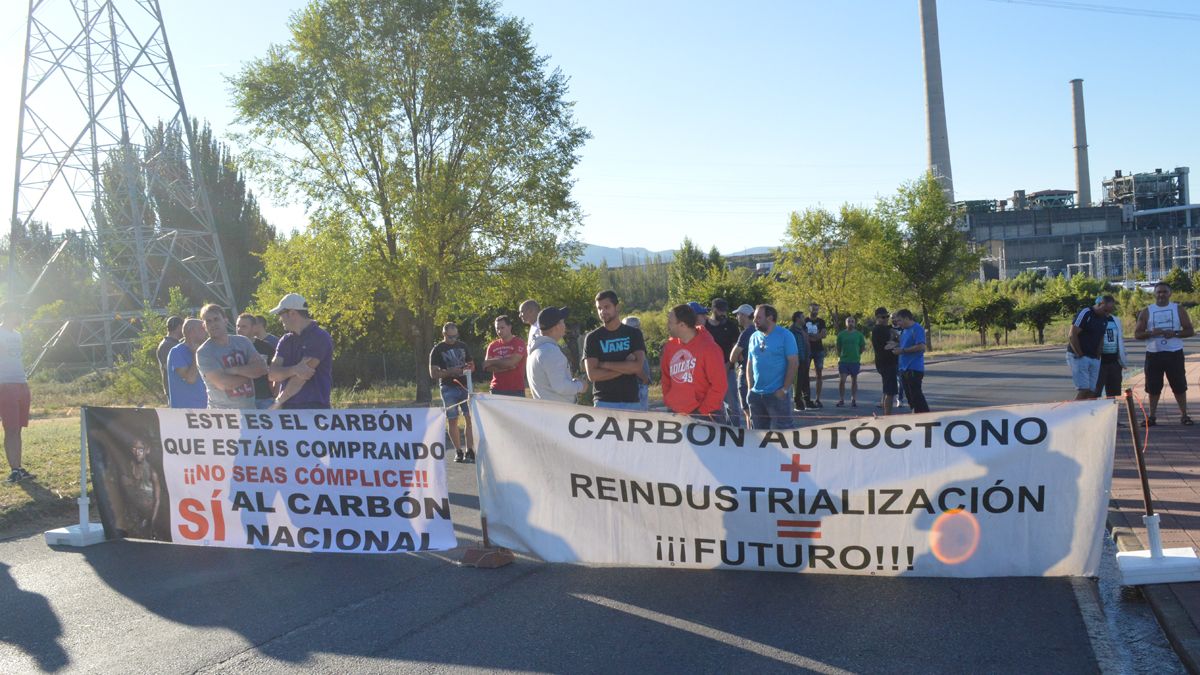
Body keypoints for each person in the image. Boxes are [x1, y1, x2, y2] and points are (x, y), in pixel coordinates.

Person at [1134, 283, 1195, 425]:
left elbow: (1190, 330)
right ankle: (1152, 416)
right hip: (1154, 354)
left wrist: (1175, 333)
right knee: (1153, 386)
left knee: (1179, 385)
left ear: (1170, 293)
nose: (1161, 295)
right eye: (1159, 292)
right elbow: (1137, 334)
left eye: (1164, 292)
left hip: (1174, 353)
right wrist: (1150, 333)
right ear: (1154, 294)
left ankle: (1184, 415)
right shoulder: (1146, 311)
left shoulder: (1178, 309)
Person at [267, 293, 334, 409]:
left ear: (292, 313)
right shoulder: (285, 340)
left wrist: (278, 402)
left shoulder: (320, 337)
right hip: (287, 407)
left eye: (280, 314)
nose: (280, 319)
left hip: (315, 408)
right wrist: (294, 369)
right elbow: (272, 374)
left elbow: (300, 378)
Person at [662, 303, 727, 421]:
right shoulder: (670, 347)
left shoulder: (709, 348)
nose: (667, 326)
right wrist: (669, 401)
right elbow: (666, 377)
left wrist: (702, 412)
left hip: (705, 415)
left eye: (670, 322)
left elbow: (719, 385)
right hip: (675, 413)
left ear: (682, 325)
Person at [584, 290, 647, 411]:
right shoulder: (592, 338)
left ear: (617, 307)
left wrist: (603, 364)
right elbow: (592, 375)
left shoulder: (634, 334)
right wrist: (626, 367)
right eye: (599, 308)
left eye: (606, 307)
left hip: (631, 401)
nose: (602, 312)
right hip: (603, 402)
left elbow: (638, 367)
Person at [196, 305, 267, 410]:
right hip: (222, 415)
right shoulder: (204, 352)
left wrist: (235, 370)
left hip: (250, 411)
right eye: (208, 321)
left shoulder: (243, 342)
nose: (213, 324)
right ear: (204, 326)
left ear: (225, 320)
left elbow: (262, 368)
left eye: (216, 319)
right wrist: (251, 374)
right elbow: (224, 383)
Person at [746, 304, 799, 430]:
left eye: (758, 317)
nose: (754, 321)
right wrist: (749, 388)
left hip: (777, 394)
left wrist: (784, 389)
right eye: (754, 317)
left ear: (770, 318)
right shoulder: (754, 337)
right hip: (756, 395)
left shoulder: (785, 335)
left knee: (783, 433)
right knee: (758, 436)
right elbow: (750, 363)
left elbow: (793, 363)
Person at [430, 322, 476, 463]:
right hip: (448, 387)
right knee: (453, 419)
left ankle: (470, 450)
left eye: (455, 336)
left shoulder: (462, 346)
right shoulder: (437, 349)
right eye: (450, 337)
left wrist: (468, 368)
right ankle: (458, 451)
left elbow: (472, 364)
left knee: (470, 418)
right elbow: (433, 373)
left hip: (465, 385)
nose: (453, 339)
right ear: (444, 334)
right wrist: (450, 372)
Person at [0, 302, 32, 483]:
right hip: (5, 385)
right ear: (9, 313)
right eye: (18, 312)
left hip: (21, 383)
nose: (20, 316)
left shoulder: (18, 335)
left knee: (18, 429)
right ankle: (13, 470)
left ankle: (19, 468)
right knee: (10, 429)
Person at [527, 307, 588, 403]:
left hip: (547, 411)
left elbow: (551, 384)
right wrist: (580, 385)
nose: (565, 325)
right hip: (559, 413)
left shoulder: (537, 350)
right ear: (557, 326)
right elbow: (560, 386)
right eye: (563, 322)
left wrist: (571, 382)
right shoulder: (550, 352)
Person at [1066, 295, 1114, 401]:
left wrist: (1098, 355)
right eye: (1105, 310)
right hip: (1079, 356)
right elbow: (1072, 334)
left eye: (1109, 311)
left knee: (1092, 391)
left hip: (1094, 358)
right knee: (1084, 389)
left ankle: (1084, 414)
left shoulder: (1104, 319)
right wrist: (1080, 354)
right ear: (1100, 304)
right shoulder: (1086, 313)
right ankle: (1072, 412)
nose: (1107, 314)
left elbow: (1101, 337)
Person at [705, 298, 744, 427]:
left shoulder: (731, 326)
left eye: (725, 311)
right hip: (708, 371)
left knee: (732, 403)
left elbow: (735, 349)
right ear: (713, 310)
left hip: (727, 369)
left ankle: (736, 431)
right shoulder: (705, 326)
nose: (723, 314)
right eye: (720, 311)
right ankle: (717, 429)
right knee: (714, 403)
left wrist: (728, 366)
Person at [119, 438, 162, 539]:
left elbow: (157, 500)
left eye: (140, 449)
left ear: (147, 450)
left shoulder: (152, 472)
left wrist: (151, 522)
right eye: (134, 449)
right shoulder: (128, 466)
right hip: (131, 514)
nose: (137, 452)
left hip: (146, 515)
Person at [236, 312, 278, 409]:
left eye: (244, 326)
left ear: (254, 327)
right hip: (241, 399)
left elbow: (276, 369)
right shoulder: (230, 348)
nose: (239, 330)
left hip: (264, 397)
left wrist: (276, 391)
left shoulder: (266, 347)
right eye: (238, 326)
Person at [892, 309, 930, 413]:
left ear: (907, 318)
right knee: (909, 396)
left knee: (916, 395)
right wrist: (895, 345)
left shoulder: (917, 329)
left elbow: (921, 346)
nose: (898, 323)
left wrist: (903, 350)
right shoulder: (905, 330)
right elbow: (904, 344)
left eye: (900, 320)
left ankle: (925, 416)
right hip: (904, 368)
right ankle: (915, 414)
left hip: (914, 367)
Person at [167, 318, 208, 409]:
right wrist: (195, 355)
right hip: (187, 411)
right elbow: (190, 379)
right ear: (192, 331)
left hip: (207, 408)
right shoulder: (176, 352)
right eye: (203, 328)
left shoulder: (206, 350)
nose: (207, 331)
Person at [727, 304, 756, 427]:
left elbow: (733, 356)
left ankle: (752, 438)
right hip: (759, 372)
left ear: (744, 316)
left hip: (746, 372)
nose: (737, 317)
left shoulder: (746, 333)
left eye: (738, 314)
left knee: (747, 410)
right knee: (756, 409)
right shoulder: (759, 330)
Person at [483, 315, 527, 397]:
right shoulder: (492, 345)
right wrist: (507, 366)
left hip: (516, 390)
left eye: (502, 328)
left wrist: (494, 362)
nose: (499, 331)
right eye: (497, 328)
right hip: (496, 389)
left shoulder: (519, 343)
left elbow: (511, 362)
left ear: (510, 327)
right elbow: (487, 366)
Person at [1096, 303, 1128, 399]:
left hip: (1114, 362)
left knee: (1113, 393)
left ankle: (1111, 412)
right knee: (1095, 392)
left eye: (1109, 309)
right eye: (1105, 309)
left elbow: (1120, 340)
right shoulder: (1094, 320)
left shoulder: (1116, 320)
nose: (1107, 312)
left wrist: (1121, 360)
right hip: (1099, 363)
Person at [871, 308, 900, 416]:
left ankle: (887, 414)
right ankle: (887, 416)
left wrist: (895, 341)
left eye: (887, 316)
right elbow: (888, 346)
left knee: (889, 390)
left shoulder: (887, 328)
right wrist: (896, 343)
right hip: (885, 362)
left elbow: (897, 338)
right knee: (890, 391)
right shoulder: (878, 330)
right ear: (877, 318)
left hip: (890, 362)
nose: (886, 319)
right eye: (883, 317)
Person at [835, 317, 867, 407]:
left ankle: (853, 398)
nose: (851, 323)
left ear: (855, 323)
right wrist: (840, 356)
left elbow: (862, 347)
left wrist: (857, 354)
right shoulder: (841, 334)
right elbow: (838, 347)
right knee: (842, 380)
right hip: (844, 360)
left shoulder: (859, 335)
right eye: (849, 321)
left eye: (852, 321)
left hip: (855, 360)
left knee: (854, 380)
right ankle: (841, 399)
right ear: (846, 323)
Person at [622, 316, 652, 410]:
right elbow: (632, 364)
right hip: (637, 384)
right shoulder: (629, 343)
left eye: (638, 326)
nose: (638, 329)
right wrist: (645, 379)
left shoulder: (635, 341)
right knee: (640, 416)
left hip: (640, 384)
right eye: (636, 327)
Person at [787, 311, 812, 411]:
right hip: (797, 359)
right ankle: (798, 402)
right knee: (797, 382)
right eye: (802, 317)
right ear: (797, 318)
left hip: (805, 358)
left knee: (805, 381)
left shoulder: (803, 329)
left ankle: (807, 402)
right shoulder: (791, 331)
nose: (804, 318)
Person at [804, 304, 828, 408]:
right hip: (807, 350)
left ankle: (818, 399)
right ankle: (806, 398)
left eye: (817, 309)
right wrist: (815, 337)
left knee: (819, 374)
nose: (815, 311)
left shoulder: (821, 321)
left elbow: (824, 334)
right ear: (809, 309)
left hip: (819, 350)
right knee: (805, 374)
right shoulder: (804, 321)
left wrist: (812, 337)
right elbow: (803, 335)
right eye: (813, 309)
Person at [156, 316, 183, 400]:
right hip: (174, 390)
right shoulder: (167, 345)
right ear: (179, 327)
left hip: (178, 389)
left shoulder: (173, 343)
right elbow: (169, 367)